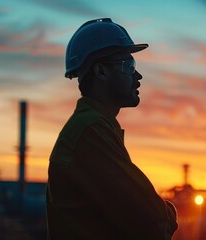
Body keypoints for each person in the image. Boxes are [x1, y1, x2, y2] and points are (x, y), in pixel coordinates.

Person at [46, 18, 178, 240]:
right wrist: (169, 213)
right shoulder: (90, 131)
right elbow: (153, 220)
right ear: (101, 71)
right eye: (129, 66)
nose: (138, 76)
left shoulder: (94, 127)